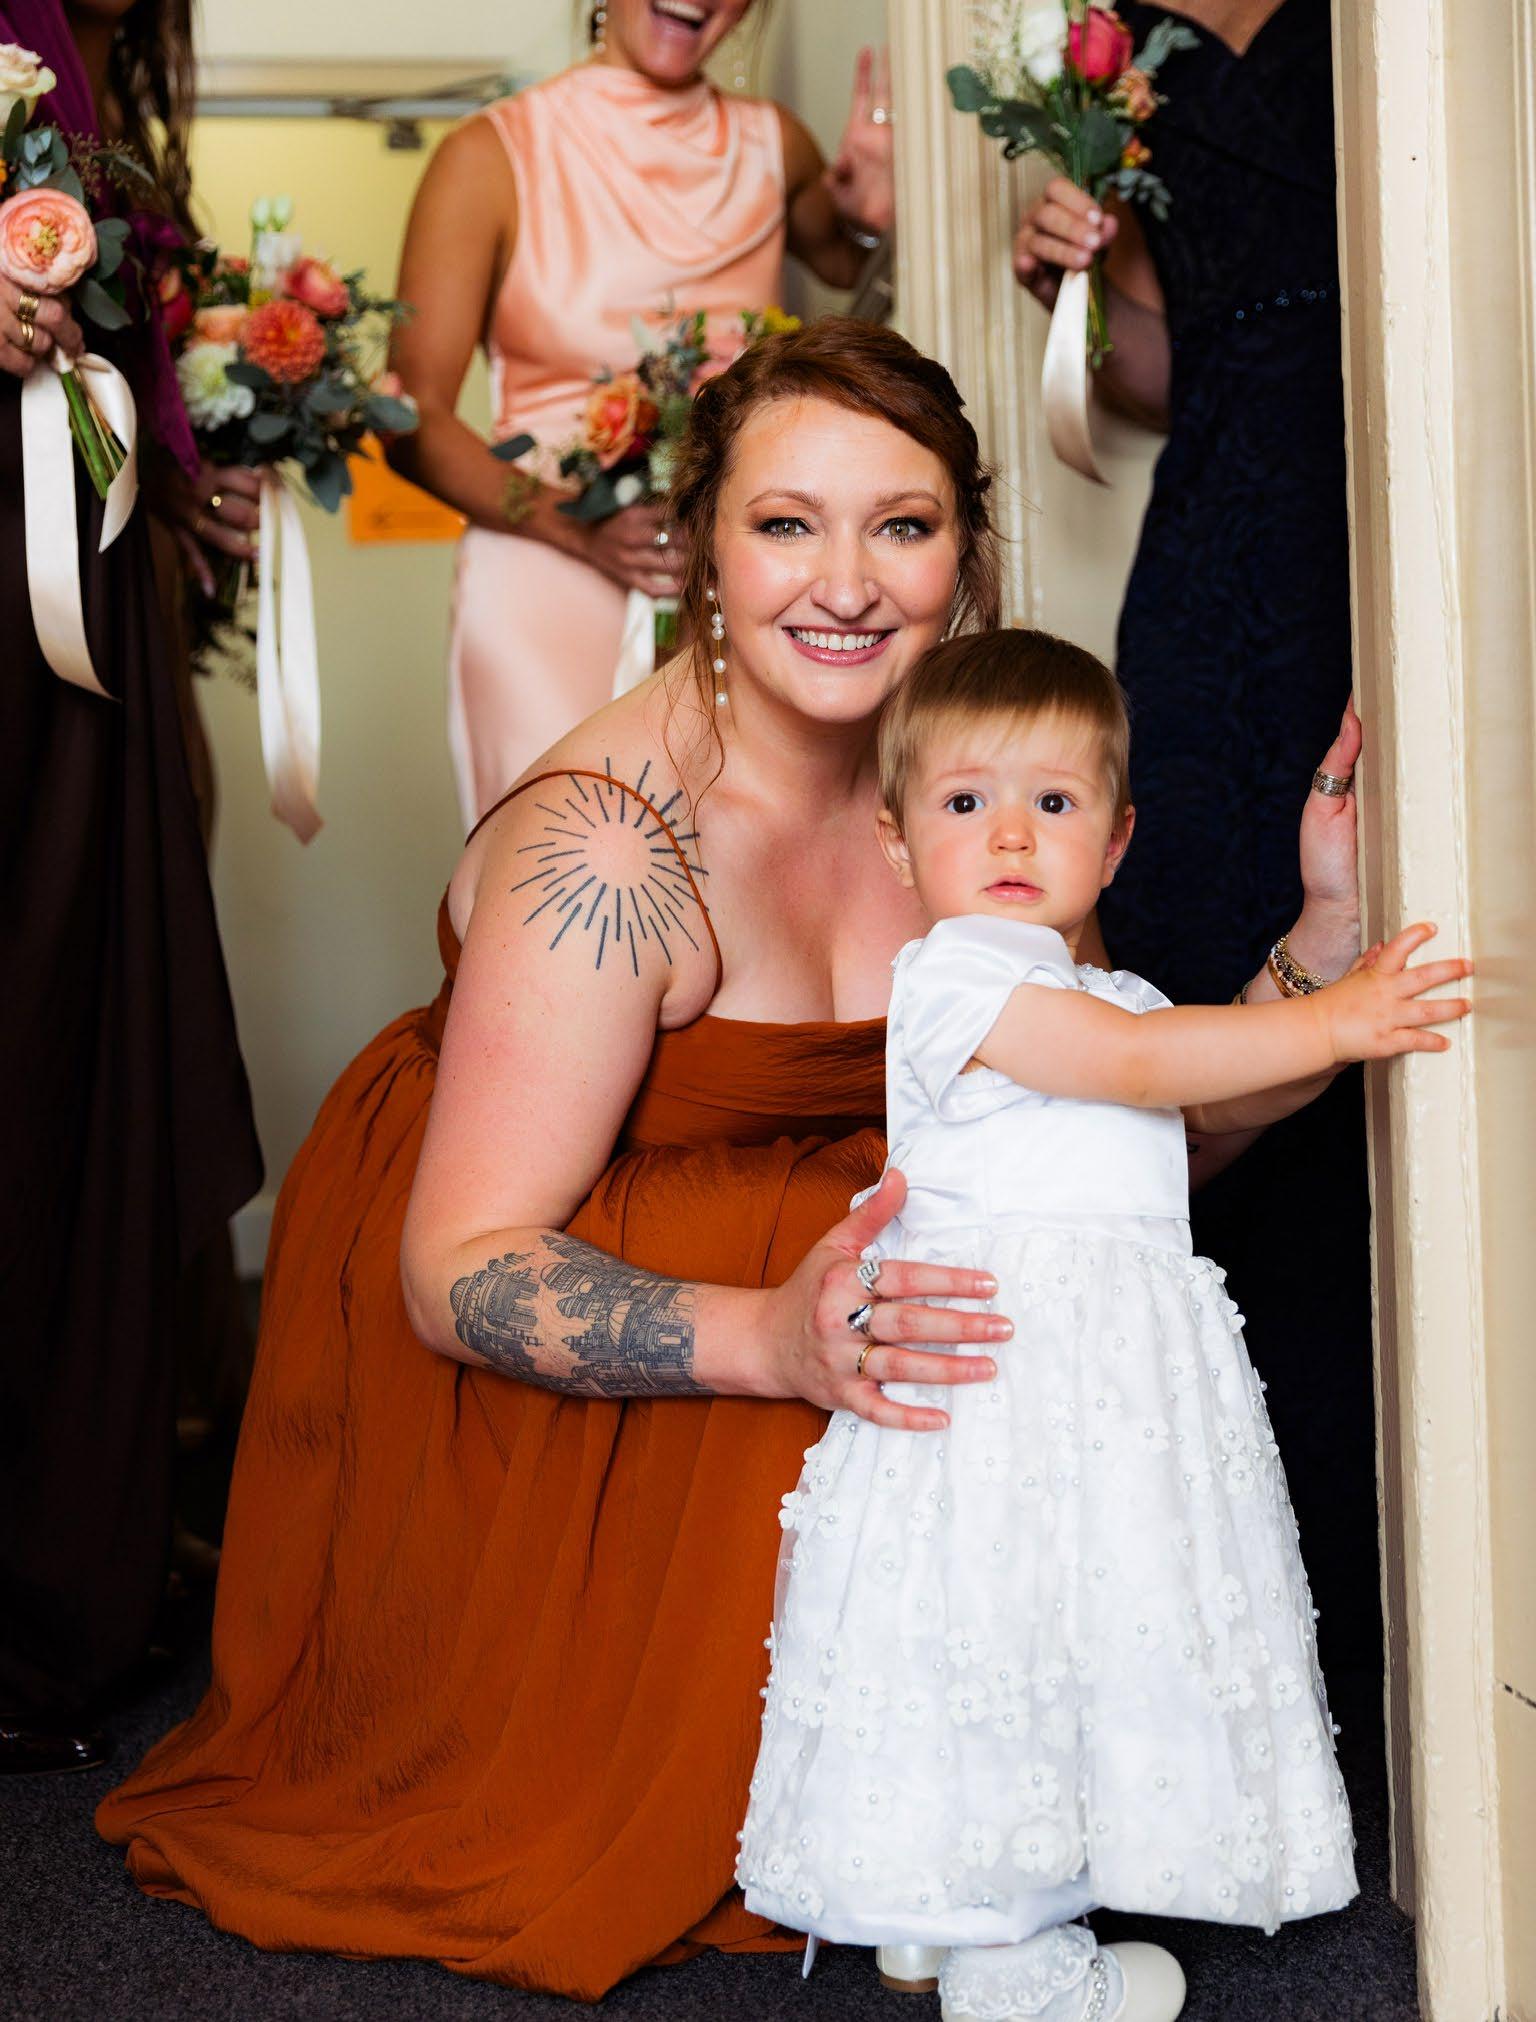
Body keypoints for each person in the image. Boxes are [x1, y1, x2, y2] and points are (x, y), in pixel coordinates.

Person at [99, 320, 1364, 2000]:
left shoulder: (976, 797)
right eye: (785, 525)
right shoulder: (606, 846)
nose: (845, 583)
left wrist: (1318, 949)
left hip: (839, 1281)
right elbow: (456, 1266)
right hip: (585, 1304)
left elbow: (1097, 1164)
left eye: (901, 526)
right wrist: (773, 1335)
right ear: (700, 543)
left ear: (966, 550)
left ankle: (995, 1852)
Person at [738, 630, 1470, 2021]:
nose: (1011, 833)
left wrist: (1325, 947)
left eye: (1056, 802)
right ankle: (1019, 1971)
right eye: (966, 802)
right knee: (1001, 1638)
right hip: (1006, 1389)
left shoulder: (1104, 990)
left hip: (1090, 1392)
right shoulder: (958, 979)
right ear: (897, 841)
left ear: (1118, 837)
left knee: (1050, 1643)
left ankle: (944, 1912)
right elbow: (1139, 1067)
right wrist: (1345, 1021)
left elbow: (1207, 1090)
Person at [1010, 0, 1379, 1675]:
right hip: (1222, 560)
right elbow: (1167, 377)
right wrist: (1073, 297)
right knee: (1203, 936)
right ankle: (1244, 1543)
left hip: (1395, 497)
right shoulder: (1117, 41)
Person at [0, 0, 259, 1775]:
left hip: (71, 590)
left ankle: (59, 1571)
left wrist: (177, 472)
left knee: (69, 1046)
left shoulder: (75, 39)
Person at [386, 0, 896, 825]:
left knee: (744, 856)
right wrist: (574, 527)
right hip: (549, 576)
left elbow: (851, 272)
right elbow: (410, 419)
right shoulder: (487, 155)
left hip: (738, 583)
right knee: (560, 858)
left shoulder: (775, 145)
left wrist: (876, 220)